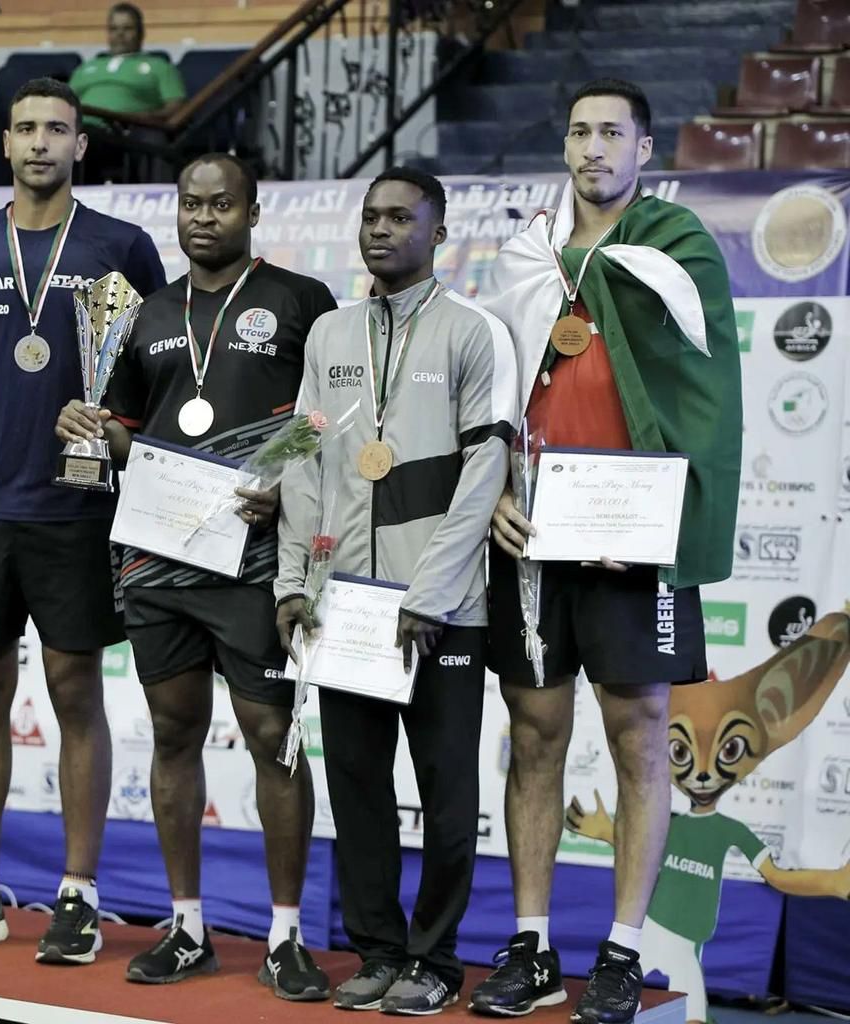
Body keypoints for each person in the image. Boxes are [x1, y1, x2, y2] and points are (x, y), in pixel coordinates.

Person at [471, 78, 741, 1022]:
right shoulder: (527, 253)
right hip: (538, 530)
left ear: (646, 150)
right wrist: (497, 486)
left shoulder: (678, 247)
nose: (593, 148)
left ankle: (623, 951)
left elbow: (703, 398)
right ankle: (533, 944)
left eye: (612, 134)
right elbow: (495, 384)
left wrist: (657, 523)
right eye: (580, 131)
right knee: (534, 735)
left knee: (638, 740)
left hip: (637, 541)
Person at [0, 77, 166, 964]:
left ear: (82, 146)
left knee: (76, 691)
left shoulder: (121, 243)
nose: (42, 142)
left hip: (77, 510)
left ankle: (79, 897)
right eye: (27, 129)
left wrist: (118, 435)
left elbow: (155, 375)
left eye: (59, 129)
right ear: (4, 144)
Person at [55, 152, 337, 998]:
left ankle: (286, 935)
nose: (203, 216)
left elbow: (326, 418)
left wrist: (289, 478)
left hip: (255, 561)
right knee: (174, 735)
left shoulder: (300, 301)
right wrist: (88, 426)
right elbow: (124, 431)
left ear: (252, 212)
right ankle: (186, 927)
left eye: (221, 204)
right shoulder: (143, 316)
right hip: (158, 558)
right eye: (190, 203)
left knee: (270, 739)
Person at [275, 167, 517, 1016]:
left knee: (449, 792)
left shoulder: (472, 333)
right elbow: (303, 464)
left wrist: (434, 592)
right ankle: (377, 950)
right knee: (359, 791)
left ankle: (438, 958)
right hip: (346, 607)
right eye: (371, 218)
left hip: (441, 611)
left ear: (438, 233)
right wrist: (295, 583)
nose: (381, 231)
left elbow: (486, 472)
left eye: (402, 218)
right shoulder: (330, 336)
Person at [69, 2, 186, 183]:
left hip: (130, 132)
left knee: (153, 140)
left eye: (127, 28)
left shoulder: (159, 66)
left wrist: (144, 117)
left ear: (141, 32)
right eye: (114, 29)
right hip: (85, 129)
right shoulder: (87, 67)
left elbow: (176, 106)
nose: (120, 34)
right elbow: (65, 101)